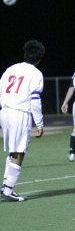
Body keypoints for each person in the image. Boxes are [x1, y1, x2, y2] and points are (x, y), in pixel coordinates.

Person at [0, 40, 46, 202]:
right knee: (19, 151)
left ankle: (5, 185)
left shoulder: (10, 69)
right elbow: (35, 99)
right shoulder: (36, 73)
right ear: (40, 57)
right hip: (20, 112)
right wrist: (39, 123)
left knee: (13, 150)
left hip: (5, 111)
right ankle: (8, 191)